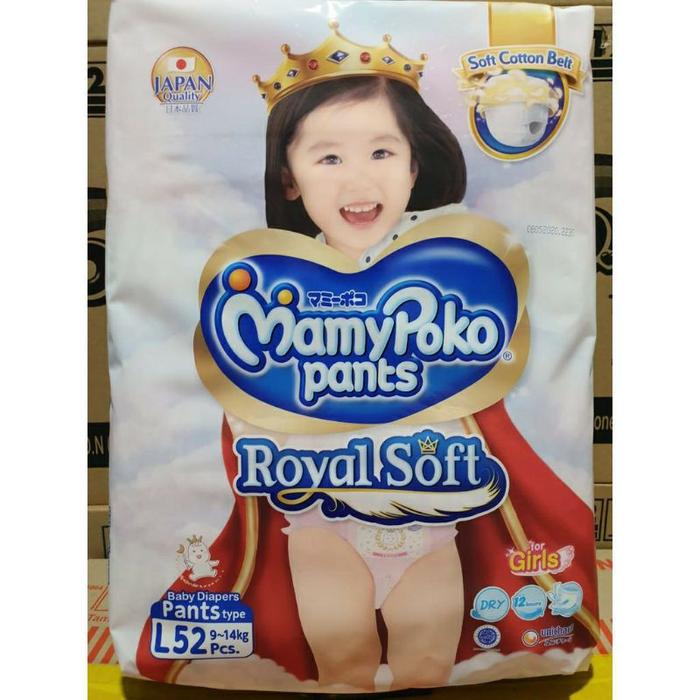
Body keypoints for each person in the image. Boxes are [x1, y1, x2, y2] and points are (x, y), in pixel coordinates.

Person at [136, 23, 599, 691]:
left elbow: (493, 384)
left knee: (426, 666)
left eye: (382, 151)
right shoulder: (273, 277)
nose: (359, 177)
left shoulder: (449, 265)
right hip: (323, 526)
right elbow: (244, 401)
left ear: (415, 165)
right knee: (344, 663)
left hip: (433, 527)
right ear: (288, 178)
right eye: (328, 158)